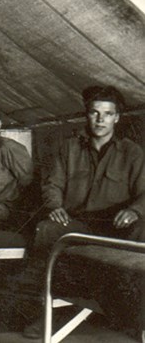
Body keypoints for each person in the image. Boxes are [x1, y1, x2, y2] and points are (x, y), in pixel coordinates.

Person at [22, 86, 145, 338]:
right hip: (76, 222)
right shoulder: (68, 148)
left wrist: (134, 210)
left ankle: (129, 312)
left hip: (114, 224)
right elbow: (52, 184)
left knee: (141, 228)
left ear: (117, 118)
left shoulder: (132, 152)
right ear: (86, 115)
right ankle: (47, 313)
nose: (100, 120)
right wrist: (55, 207)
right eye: (94, 113)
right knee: (47, 229)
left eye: (107, 114)